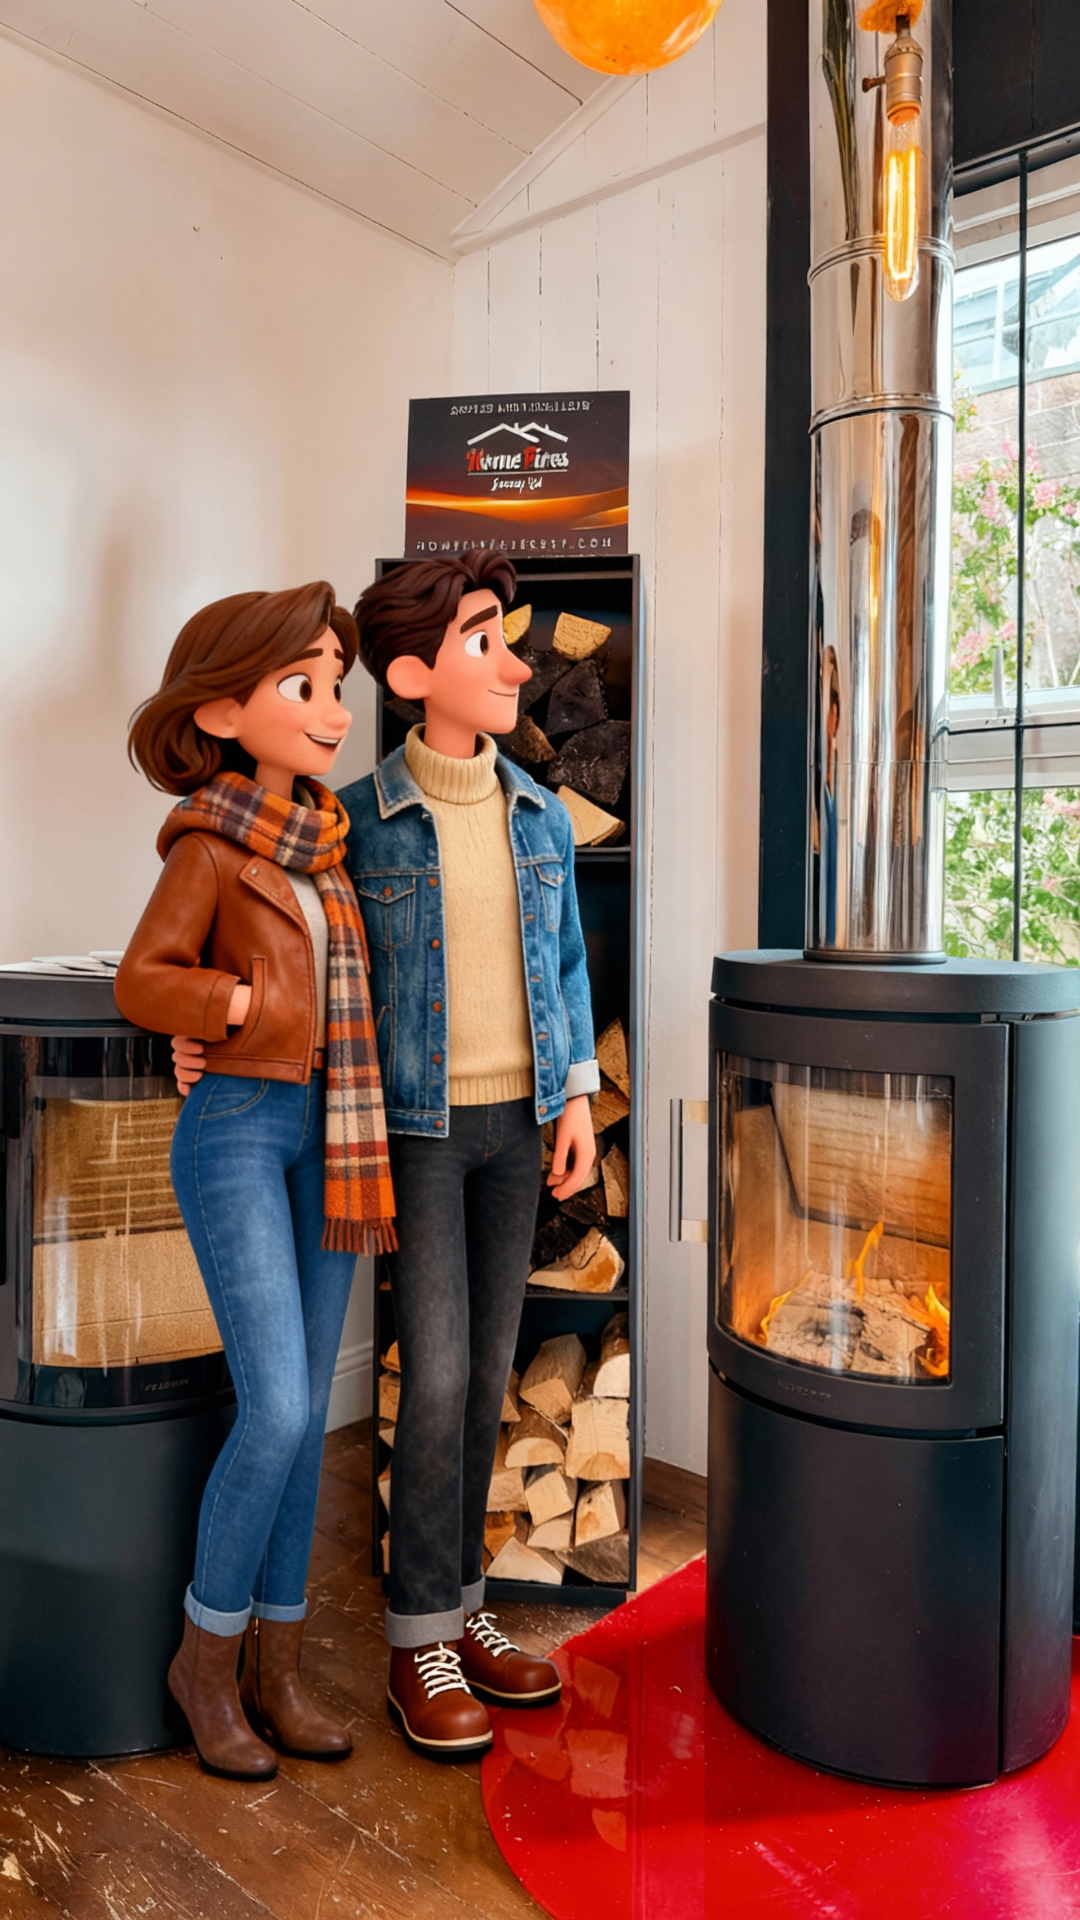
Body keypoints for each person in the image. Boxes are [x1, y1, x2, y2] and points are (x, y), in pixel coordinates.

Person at [174, 550, 600, 1763]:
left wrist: (576, 1098)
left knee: (492, 1377)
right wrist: (205, 1036)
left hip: (519, 1127)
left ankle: (465, 1615)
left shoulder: (539, 815)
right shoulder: (350, 820)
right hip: (410, 1133)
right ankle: (416, 1634)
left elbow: (564, 966)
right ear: (416, 674)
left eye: (514, 641)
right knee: (444, 1377)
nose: (515, 663)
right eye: (486, 642)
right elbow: (280, 943)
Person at [115, 582, 395, 1782]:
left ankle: (279, 1671)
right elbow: (144, 976)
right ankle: (206, 1662)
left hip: (335, 1131)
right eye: (304, 686)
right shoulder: (210, 843)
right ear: (225, 710)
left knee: (303, 1414)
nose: (334, 710)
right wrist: (230, 1005)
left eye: (338, 685)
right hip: (236, 1125)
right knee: (280, 1407)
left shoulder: (330, 847)